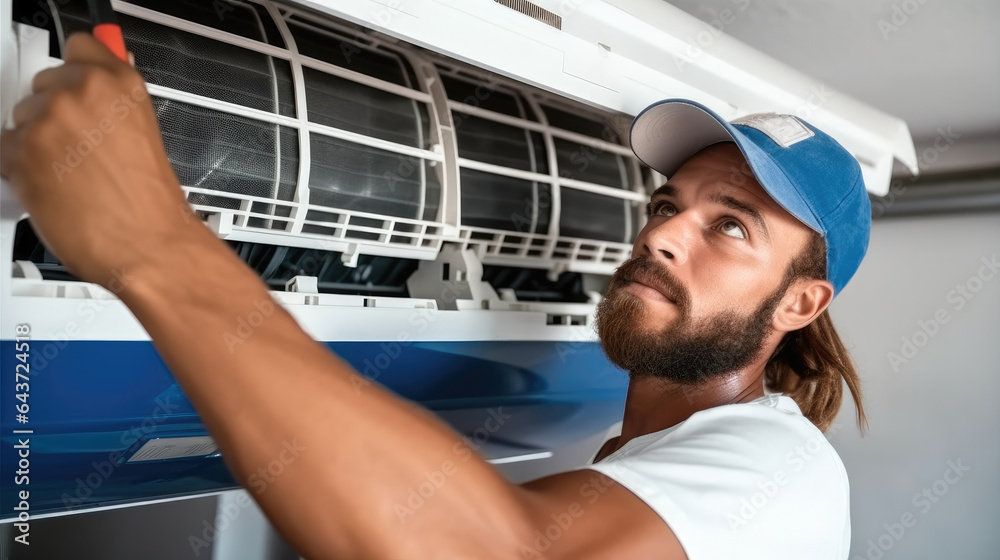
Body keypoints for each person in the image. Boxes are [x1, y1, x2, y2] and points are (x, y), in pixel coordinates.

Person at [0, 34, 869, 560]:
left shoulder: (780, 472)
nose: (663, 234)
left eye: (733, 227)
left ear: (800, 304)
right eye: (668, 205)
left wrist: (151, 239)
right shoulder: (647, 455)